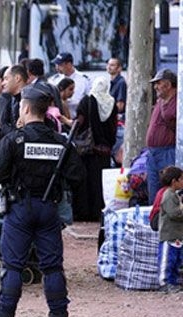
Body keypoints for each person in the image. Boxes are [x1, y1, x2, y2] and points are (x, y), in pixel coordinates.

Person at [0, 83, 83, 317]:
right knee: (52, 268)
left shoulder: (15, 139)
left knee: (12, 266)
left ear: (25, 107)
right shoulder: (60, 141)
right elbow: (78, 176)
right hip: (49, 209)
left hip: (20, 208)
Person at [71, 76, 117, 222]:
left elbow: (79, 123)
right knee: (99, 182)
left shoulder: (87, 101)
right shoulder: (111, 103)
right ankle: (98, 212)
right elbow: (114, 127)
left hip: (87, 149)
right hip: (103, 150)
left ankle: (84, 212)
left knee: (85, 181)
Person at [146, 68, 177, 203]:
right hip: (153, 153)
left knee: (167, 191)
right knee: (153, 191)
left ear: (169, 85)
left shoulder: (177, 102)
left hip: (167, 151)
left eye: (158, 83)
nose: (155, 87)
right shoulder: (160, 101)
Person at [157, 166, 183, 293]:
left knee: (176, 261)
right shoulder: (168, 196)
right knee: (167, 260)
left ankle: (173, 282)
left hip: (177, 235)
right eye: (181, 179)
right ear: (174, 181)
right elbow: (174, 213)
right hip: (168, 236)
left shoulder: (175, 195)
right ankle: (164, 283)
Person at [49, 52, 91, 117]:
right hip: (59, 120)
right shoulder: (53, 80)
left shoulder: (84, 80)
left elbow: (89, 101)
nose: (57, 68)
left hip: (78, 118)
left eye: (60, 65)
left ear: (69, 64)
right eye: (56, 65)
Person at [107, 57, 127, 164]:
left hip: (119, 123)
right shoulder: (111, 82)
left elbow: (120, 106)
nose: (109, 67)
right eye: (108, 64)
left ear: (119, 68)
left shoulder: (121, 83)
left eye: (113, 65)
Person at [0, 64, 28, 136]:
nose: (3, 83)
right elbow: (3, 124)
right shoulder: (8, 99)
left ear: (17, 78)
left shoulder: (32, 99)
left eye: (6, 79)